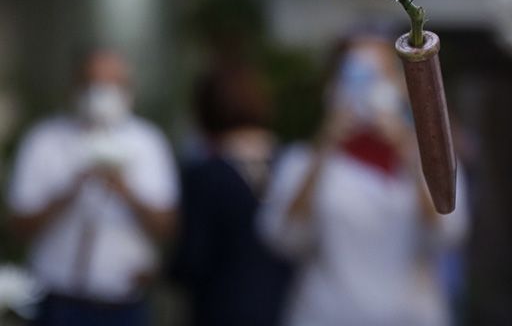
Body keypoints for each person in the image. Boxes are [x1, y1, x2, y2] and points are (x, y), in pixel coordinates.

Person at [258, 30, 469, 326]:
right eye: (356, 75)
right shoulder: (303, 160)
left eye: (378, 75)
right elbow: (282, 237)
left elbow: (448, 232)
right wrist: (324, 148)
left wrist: (407, 150)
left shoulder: (431, 162)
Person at [7, 49, 177, 326]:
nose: (102, 93)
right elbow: (18, 227)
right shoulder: (44, 140)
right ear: (75, 87)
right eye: (93, 83)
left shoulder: (148, 142)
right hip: (57, 300)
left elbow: (168, 226)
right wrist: (72, 188)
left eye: (113, 84)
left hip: (125, 301)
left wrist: (124, 189)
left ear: (128, 89)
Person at [170, 62, 293, 326]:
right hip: (288, 308)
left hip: (221, 309)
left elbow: (192, 258)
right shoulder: (292, 163)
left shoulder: (205, 175)